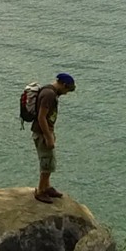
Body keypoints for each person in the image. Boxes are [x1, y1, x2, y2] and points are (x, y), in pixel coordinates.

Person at [32, 73, 76, 204]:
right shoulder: (49, 94)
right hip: (42, 133)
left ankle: (47, 186)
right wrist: (48, 137)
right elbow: (41, 117)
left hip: (45, 132)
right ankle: (41, 191)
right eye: (67, 90)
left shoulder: (49, 91)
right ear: (63, 85)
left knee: (50, 160)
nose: (66, 93)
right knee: (47, 163)